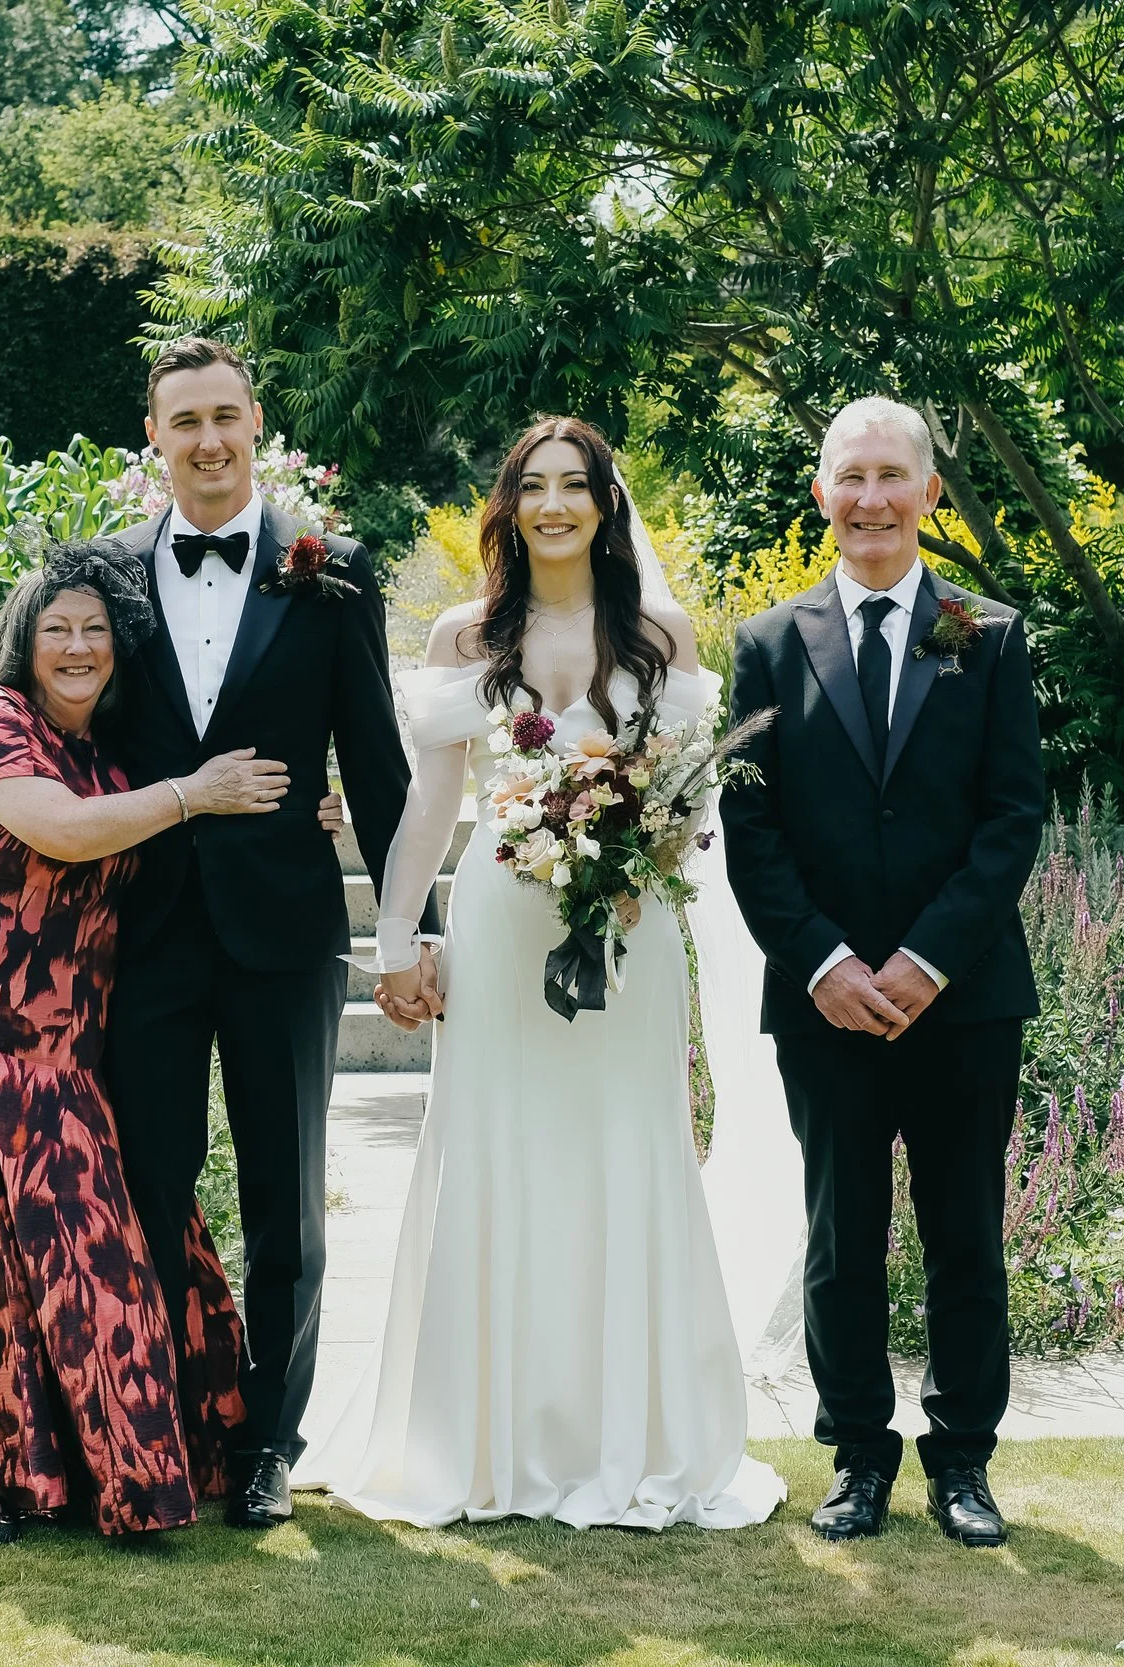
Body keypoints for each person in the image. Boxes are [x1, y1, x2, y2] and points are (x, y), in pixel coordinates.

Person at [0, 338, 420, 1528]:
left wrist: (404, 927)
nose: (208, 440)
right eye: (184, 422)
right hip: (135, 942)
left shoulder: (330, 571)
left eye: (226, 416)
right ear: (156, 437)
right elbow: (18, 707)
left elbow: (378, 766)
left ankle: (271, 1443)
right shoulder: (111, 577)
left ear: (257, 422)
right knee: (143, 1191)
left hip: (284, 932)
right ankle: (157, 1426)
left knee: (287, 1200)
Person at [296, 416, 787, 1530]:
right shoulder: (460, 640)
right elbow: (430, 802)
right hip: (505, 932)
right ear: (508, 507)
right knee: (499, 1155)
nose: (556, 504)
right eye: (535, 487)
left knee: (627, 1152)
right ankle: (493, 1438)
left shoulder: (662, 635)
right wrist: (398, 933)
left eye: (577, 485)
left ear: (607, 505)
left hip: (631, 933)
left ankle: (633, 1434)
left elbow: (695, 794)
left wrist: (643, 859)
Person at [0, 542, 293, 1542]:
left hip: (56, 1053)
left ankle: (118, 1470)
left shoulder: (113, 753)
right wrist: (196, 790)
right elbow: (56, 829)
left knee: (88, 1254)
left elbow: (114, 821)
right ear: (25, 637)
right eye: (56, 626)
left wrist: (302, 807)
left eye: (95, 629)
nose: (76, 644)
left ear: (120, 646)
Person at [719, 396, 1047, 1546]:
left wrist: (922, 961)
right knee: (841, 1234)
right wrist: (821, 962)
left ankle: (963, 1460)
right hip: (824, 1004)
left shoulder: (985, 633)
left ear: (927, 492)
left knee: (964, 1231)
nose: (871, 498)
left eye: (891, 476)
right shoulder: (766, 643)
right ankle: (856, 1455)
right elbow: (747, 826)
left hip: (961, 1001)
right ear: (822, 491)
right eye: (850, 476)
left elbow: (1011, 818)